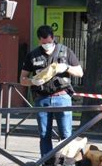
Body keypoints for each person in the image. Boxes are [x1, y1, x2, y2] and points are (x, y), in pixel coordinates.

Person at [20, 25, 83, 157]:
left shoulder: (65, 52)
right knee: (44, 135)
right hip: (42, 99)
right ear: (39, 41)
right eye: (44, 43)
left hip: (62, 97)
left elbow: (79, 72)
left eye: (49, 42)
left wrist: (66, 67)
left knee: (66, 135)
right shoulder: (33, 55)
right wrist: (32, 81)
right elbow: (22, 79)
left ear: (53, 38)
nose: (47, 45)